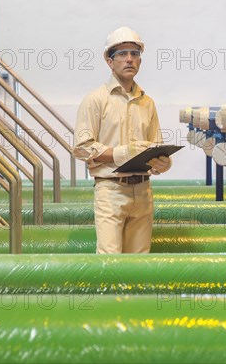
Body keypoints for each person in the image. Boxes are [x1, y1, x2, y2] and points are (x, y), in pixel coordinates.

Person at [73, 26, 171, 254]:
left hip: (143, 191)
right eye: (122, 54)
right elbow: (81, 147)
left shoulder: (148, 103)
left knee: (139, 262)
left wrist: (163, 163)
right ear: (109, 61)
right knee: (110, 262)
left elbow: (155, 145)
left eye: (135, 54)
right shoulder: (95, 100)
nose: (130, 59)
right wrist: (121, 153)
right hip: (110, 190)